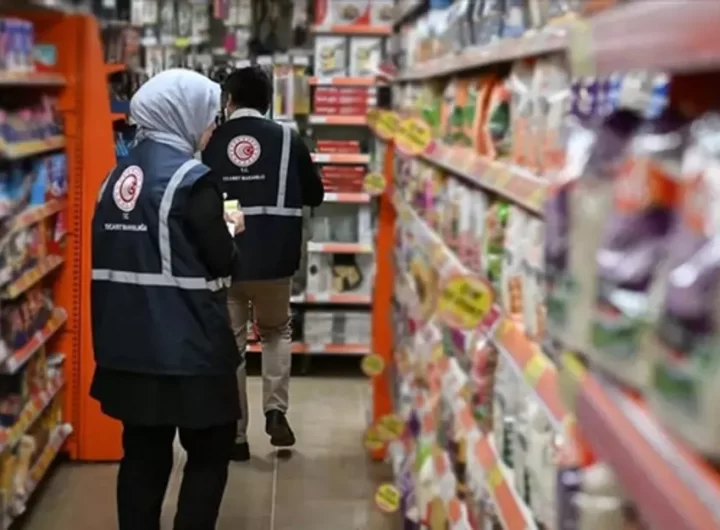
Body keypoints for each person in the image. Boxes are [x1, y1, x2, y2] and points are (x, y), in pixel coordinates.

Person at [89, 69, 245, 530]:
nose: (211, 127)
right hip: (189, 347)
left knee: (143, 452)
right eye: (209, 115)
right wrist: (231, 231)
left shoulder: (114, 177)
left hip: (126, 347)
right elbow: (220, 261)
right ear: (183, 113)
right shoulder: (193, 180)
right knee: (210, 449)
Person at [202, 65, 324, 461]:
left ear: (229, 100)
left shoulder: (210, 140)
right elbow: (315, 195)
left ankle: (236, 437)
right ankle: (276, 411)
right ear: (269, 102)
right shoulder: (288, 139)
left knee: (233, 346)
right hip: (276, 257)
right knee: (275, 332)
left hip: (226, 258)